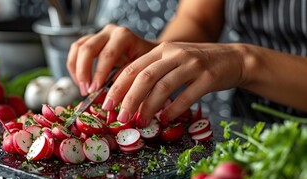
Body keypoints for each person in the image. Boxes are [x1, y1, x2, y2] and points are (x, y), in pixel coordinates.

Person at [66, 0, 307, 127]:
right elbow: (198, 19)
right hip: (248, 133)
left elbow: (241, 59)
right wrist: (159, 55)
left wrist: (244, 62)